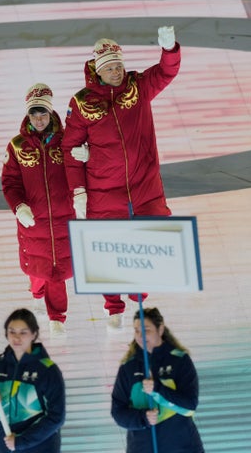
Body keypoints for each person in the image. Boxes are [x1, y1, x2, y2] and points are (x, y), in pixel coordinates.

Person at [61, 26, 181, 328]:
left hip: (144, 185)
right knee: (108, 247)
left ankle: (138, 289)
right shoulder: (82, 103)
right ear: (98, 71)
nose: (116, 72)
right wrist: (79, 190)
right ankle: (112, 305)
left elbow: (165, 73)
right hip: (103, 190)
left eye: (118, 66)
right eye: (110, 68)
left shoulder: (138, 87)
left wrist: (169, 50)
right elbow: (69, 148)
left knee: (148, 239)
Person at [1, 83, 75, 335]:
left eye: (43, 113)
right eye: (34, 114)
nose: (39, 119)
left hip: (64, 218)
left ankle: (57, 318)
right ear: (28, 116)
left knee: (57, 271)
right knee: (38, 268)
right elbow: (10, 183)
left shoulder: (67, 141)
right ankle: (36, 293)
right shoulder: (17, 146)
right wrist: (19, 206)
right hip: (33, 220)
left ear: (51, 113)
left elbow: (82, 171)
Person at [111, 307, 204, 453]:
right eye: (137, 331)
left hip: (182, 447)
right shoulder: (128, 367)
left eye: (146, 330)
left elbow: (189, 406)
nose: (140, 336)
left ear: (160, 330)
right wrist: (143, 418)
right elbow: (118, 412)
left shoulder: (179, 360)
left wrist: (158, 389)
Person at [0, 308, 66, 453]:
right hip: (2, 446)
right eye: (12, 332)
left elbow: (56, 418)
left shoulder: (48, 371)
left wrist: (21, 441)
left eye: (23, 332)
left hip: (39, 448)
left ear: (34, 334)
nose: (17, 338)